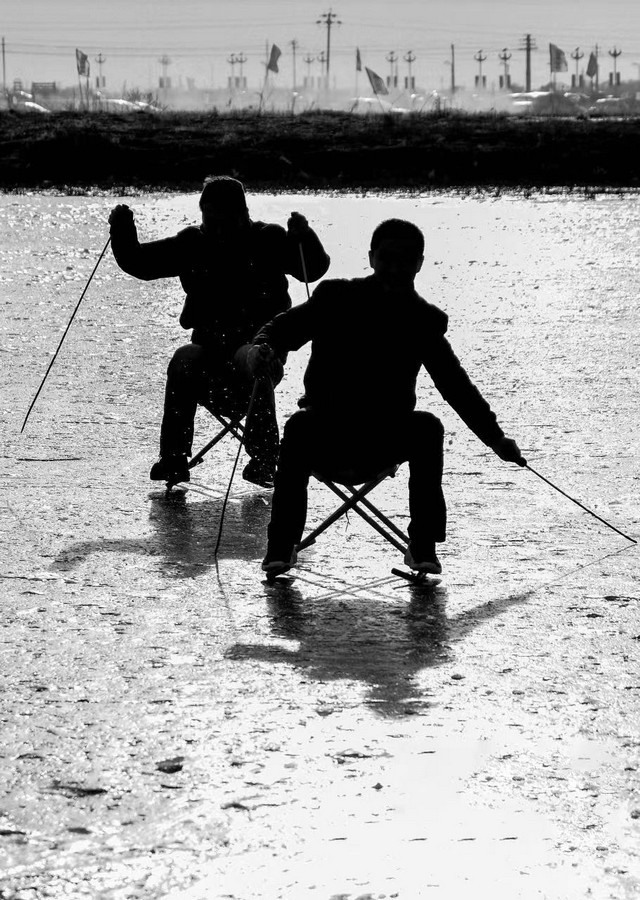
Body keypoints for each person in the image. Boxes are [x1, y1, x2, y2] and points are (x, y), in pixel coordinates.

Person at [247, 217, 525, 577]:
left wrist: (496, 440)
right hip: (325, 435)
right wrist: (263, 348)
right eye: (387, 259)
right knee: (299, 425)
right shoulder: (334, 298)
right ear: (371, 258)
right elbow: (281, 329)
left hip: (382, 442)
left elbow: (456, 387)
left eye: (406, 260)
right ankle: (281, 546)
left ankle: (423, 546)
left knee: (428, 427)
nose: (395, 268)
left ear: (419, 263)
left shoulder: (423, 320)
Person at [108, 175, 330, 486]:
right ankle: (174, 458)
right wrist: (122, 229)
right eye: (208, 220)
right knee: (183, 358)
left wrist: (305, 237)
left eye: (221, 220)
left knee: (254, 356)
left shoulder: (269, 239)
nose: (215, 229)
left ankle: (265, 458)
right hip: (210, 353)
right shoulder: (193, 243)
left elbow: (314, 269)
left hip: (260, 350)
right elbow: (141, 262)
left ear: (242, 214)